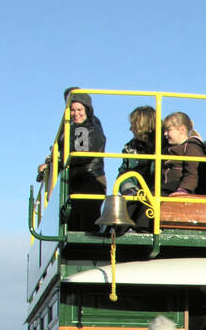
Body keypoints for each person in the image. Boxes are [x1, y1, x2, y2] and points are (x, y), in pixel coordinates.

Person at [36, 88, 106, 234]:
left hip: (89, 179)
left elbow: (79, 153)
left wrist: (56, 160)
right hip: (76, 181)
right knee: (73, 224)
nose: (76, 113)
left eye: (79, 109)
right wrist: (50, 164)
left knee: (85, 226)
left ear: (87, 109)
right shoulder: (72, 127)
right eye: (72, 110)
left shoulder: (86, 126)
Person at [116, 105, 159, 228]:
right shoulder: (130, 147)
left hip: (154, 193)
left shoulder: (164, 145)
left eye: (133, 124)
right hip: (136, 192)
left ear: (143, 124)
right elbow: (123, 172)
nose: (130, 129)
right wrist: (128, 187)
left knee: (139, 206)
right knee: (122, 207)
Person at [161, 111, 206, 197]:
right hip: (164, 187)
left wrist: (184, 189)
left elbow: (193, 172)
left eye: (168, 130)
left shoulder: (192, 147)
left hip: (178, 187)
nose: (165, 134)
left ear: (182, 130)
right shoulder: (168, 148)